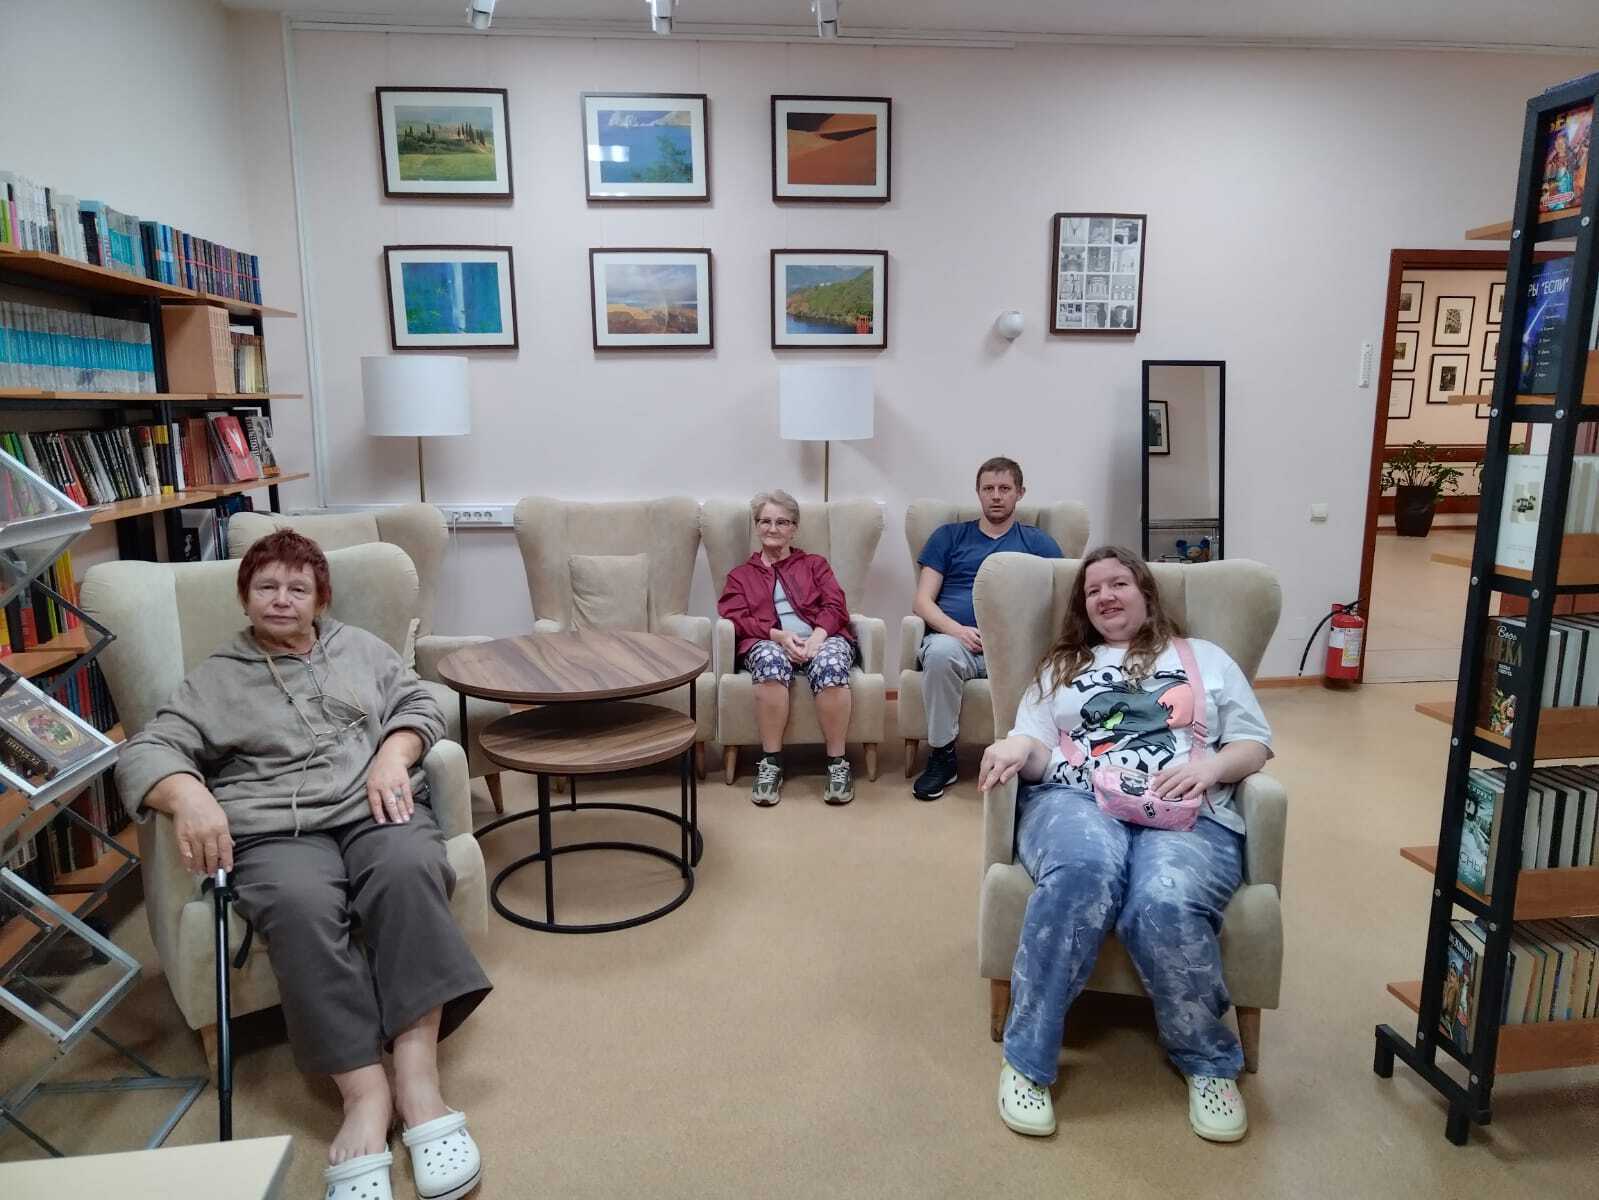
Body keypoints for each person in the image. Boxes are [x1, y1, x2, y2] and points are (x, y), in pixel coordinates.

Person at [116, 530, 489, 1200]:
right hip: (274, 829)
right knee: (298, 906)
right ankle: (363, 1093)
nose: (282, 599)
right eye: (266, 586)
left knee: (409, 870)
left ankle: (417, 1080)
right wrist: (188, 794)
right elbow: (148, 750)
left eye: (297, 587)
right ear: (245, 597)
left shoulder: (360, 648)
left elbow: (419, 702)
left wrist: (393, 755)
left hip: (371, 805)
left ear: (320, 598)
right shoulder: (216, 677)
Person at [977, 545, 1272, 1144]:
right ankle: (1027, 1059)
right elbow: (1034, 745)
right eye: (1092, 591)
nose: (1105, 597)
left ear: (1145, 592)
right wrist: (1013, 747)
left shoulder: (1204, 657)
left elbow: (1255, 743)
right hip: (1074, 799)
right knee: (1081, 872)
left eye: (1118, 584)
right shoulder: (1061, 666)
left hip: (1186, 807)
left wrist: (1212, 768)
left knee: (1164, 899)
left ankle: (1208, 1062)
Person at [911, 457, 1063, 799]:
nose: (996, 496)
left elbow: (1061, 598)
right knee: (939, 654)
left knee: (1056, 667)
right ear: (978, 492)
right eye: (988, 488)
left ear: (1020, 493)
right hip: (958, 642)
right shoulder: (948, 537)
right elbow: (922, 602)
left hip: (1018, 649)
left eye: (1004, 488)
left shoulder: (1038, 543)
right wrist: (957, 631)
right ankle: (942, 756)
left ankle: (1033, 756)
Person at [718, 489, 858, 807]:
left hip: (821, 638)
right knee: (768, 661)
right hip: (770, 642)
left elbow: (836, 605)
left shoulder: (814, 565)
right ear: (756, 526)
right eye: (765, 521)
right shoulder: (740, 576)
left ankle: (837, 764)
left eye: (782, 522)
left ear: (794, 528)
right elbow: (735, 616)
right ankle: (771, 763)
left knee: (831, 664)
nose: (773, 528)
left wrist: (817, 638)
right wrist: (778, 637)